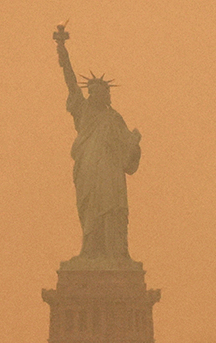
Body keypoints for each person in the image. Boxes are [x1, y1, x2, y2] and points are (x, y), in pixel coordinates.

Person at [55, 31, 141, 262]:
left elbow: (128, 152)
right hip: (88, 170)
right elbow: (71, 83)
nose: (96, 94)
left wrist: (134, 143)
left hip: (110, 173)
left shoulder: (114, 119)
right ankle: (90, 251)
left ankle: (116, 252)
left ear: (107, 95)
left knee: (112, 208)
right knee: (90, 210)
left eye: (102, 92)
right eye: (92, 91)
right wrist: (62, 52)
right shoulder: (82, 111)